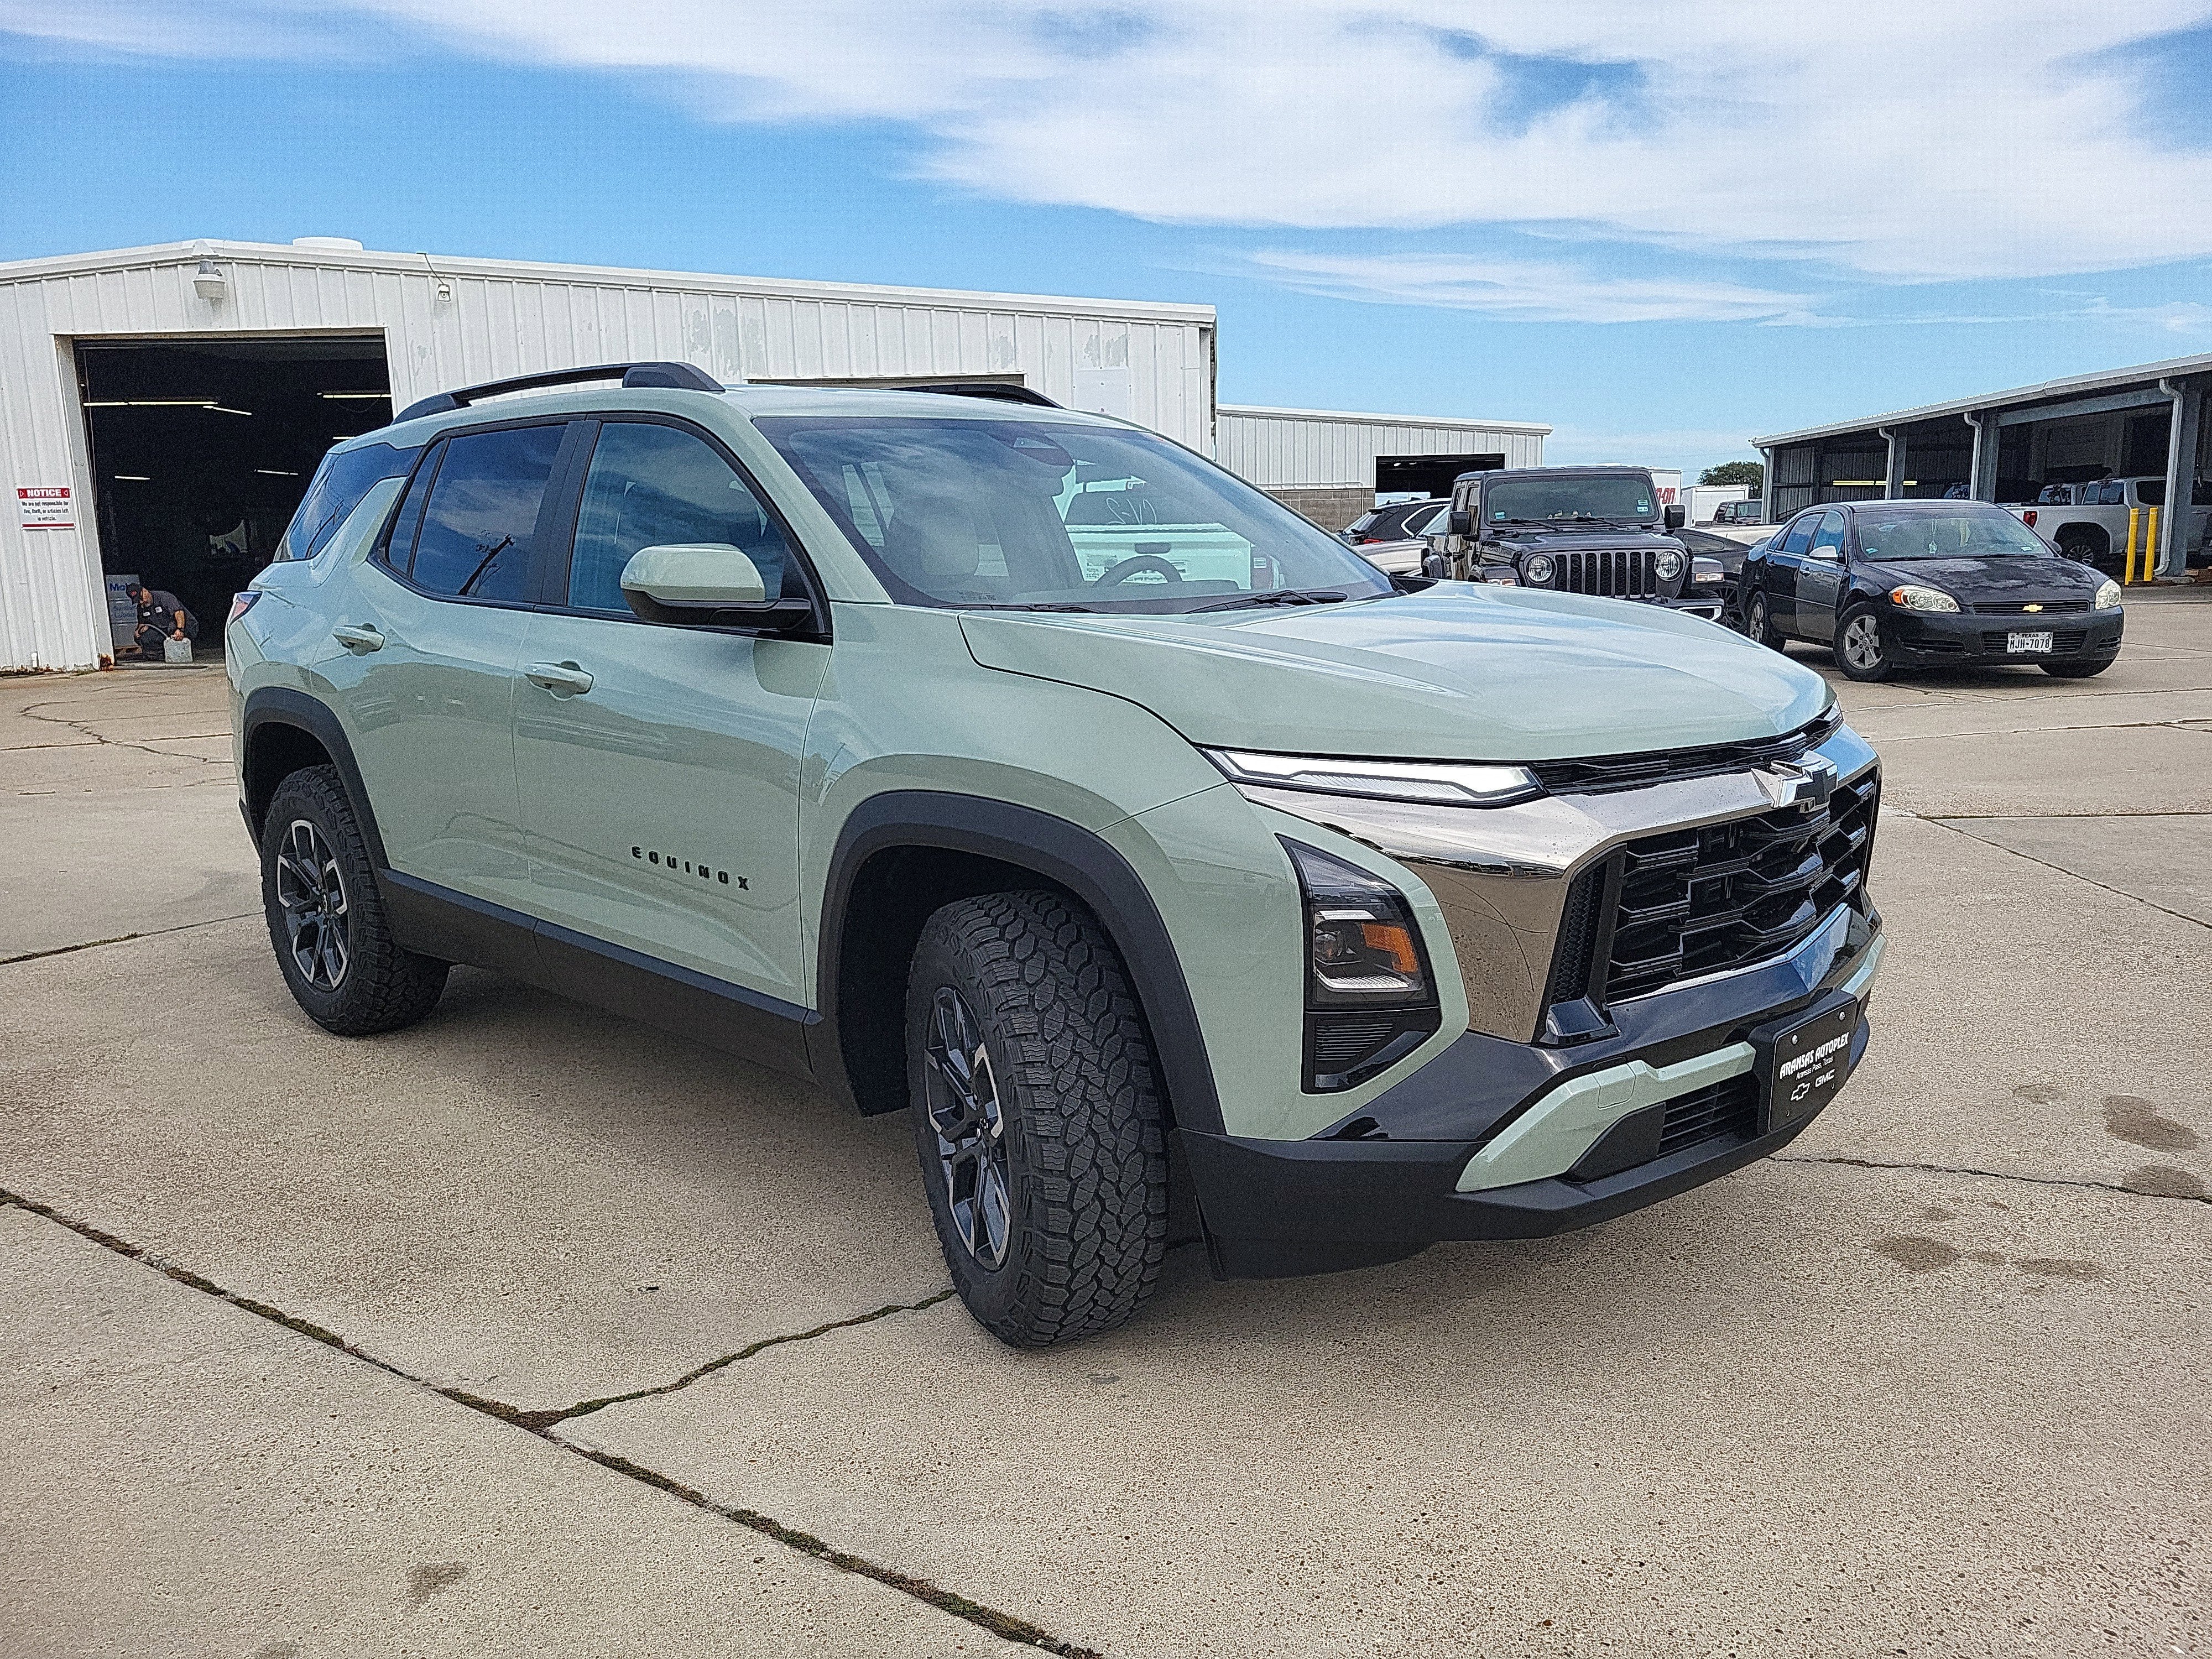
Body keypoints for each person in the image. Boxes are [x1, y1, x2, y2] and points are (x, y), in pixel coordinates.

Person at [127, 581, 197, 659]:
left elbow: (179, 613)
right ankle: (161, 655)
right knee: (143, 638)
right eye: (137, 601)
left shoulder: (164, 597)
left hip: (185, 626)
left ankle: (177, 652)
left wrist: (180, 629)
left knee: (172, 627)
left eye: (141, 598)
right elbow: (143, 622)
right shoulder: (141, 607)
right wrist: (138, 631)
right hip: (163, 629)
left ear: (145, 591)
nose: (141, 602)